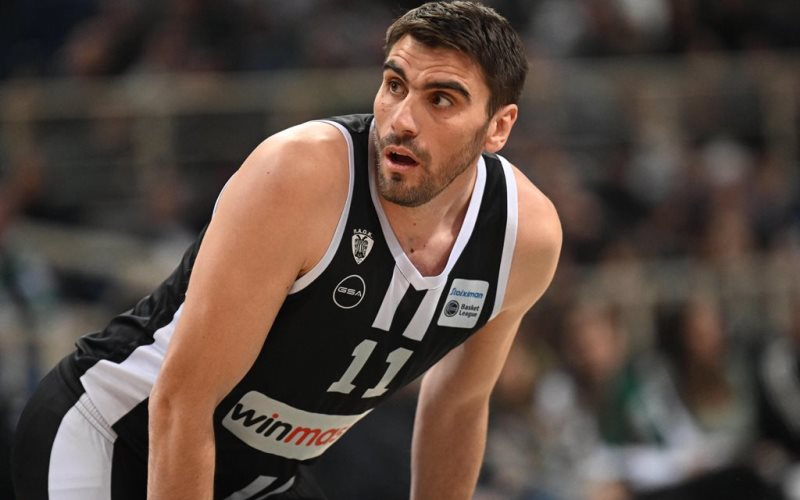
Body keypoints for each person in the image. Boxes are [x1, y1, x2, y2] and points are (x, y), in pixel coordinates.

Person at [11, 2, 562, 499]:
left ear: (498, 127)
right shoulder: (299, 176)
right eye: (395, 85)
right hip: (115, 433)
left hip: (258, 477)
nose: (402, 121)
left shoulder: (525, 237)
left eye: (441, 99)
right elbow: (182, 401)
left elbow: (457, 405)